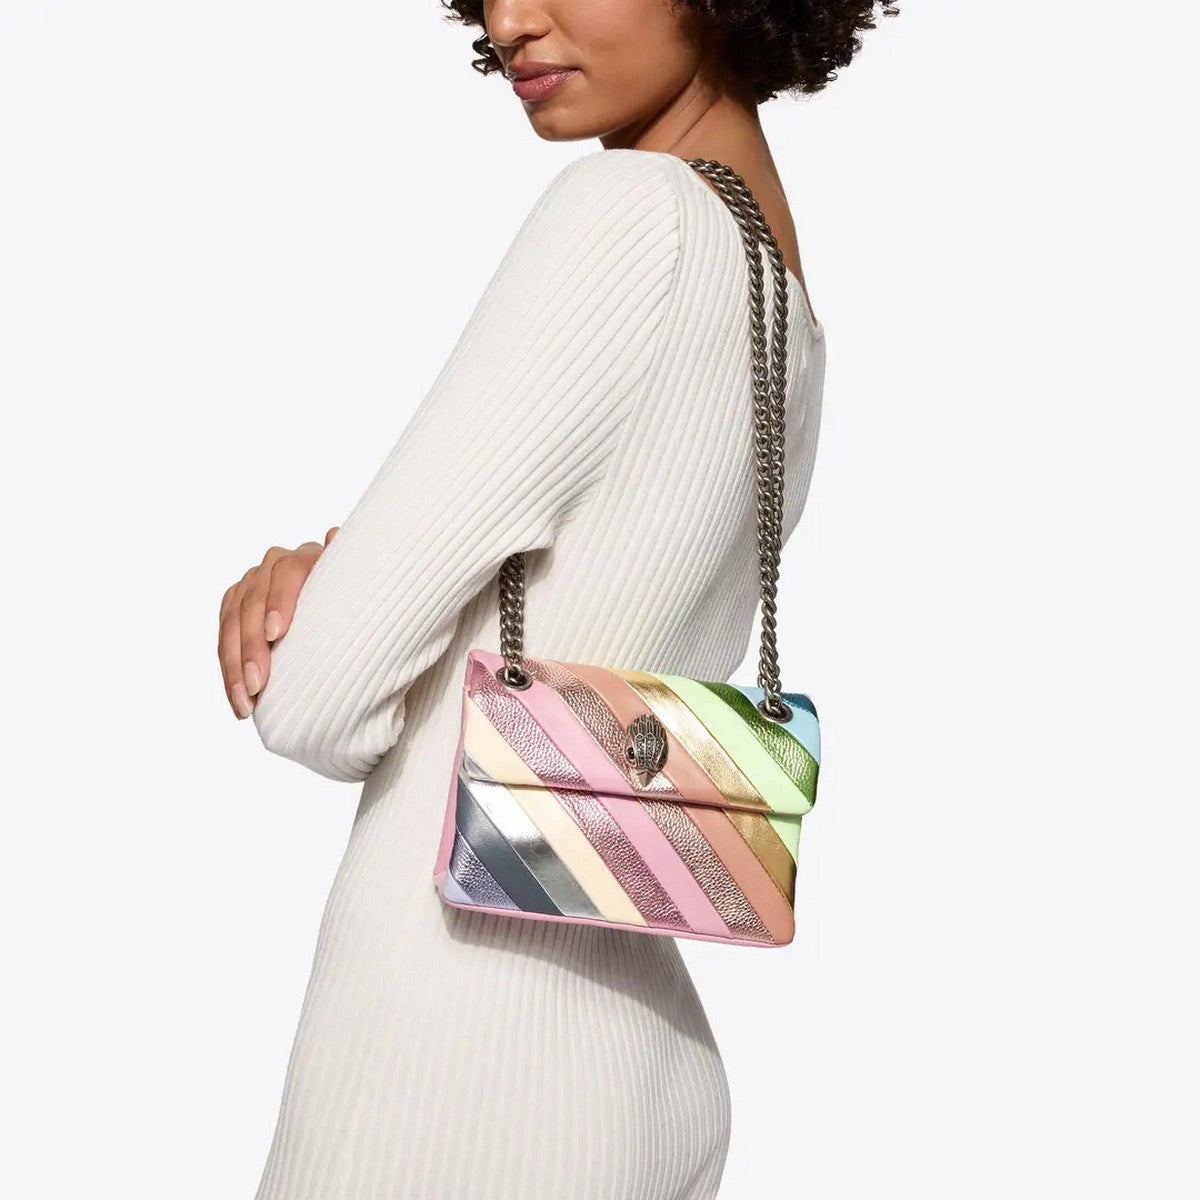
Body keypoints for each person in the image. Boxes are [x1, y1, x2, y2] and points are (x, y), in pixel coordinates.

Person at [216, 2, 893, 1195]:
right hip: (640, 1068)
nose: (512, 20)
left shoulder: (629, 216)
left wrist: (315, 600)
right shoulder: (787, 315)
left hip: (452, 1066)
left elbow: (314, 701)